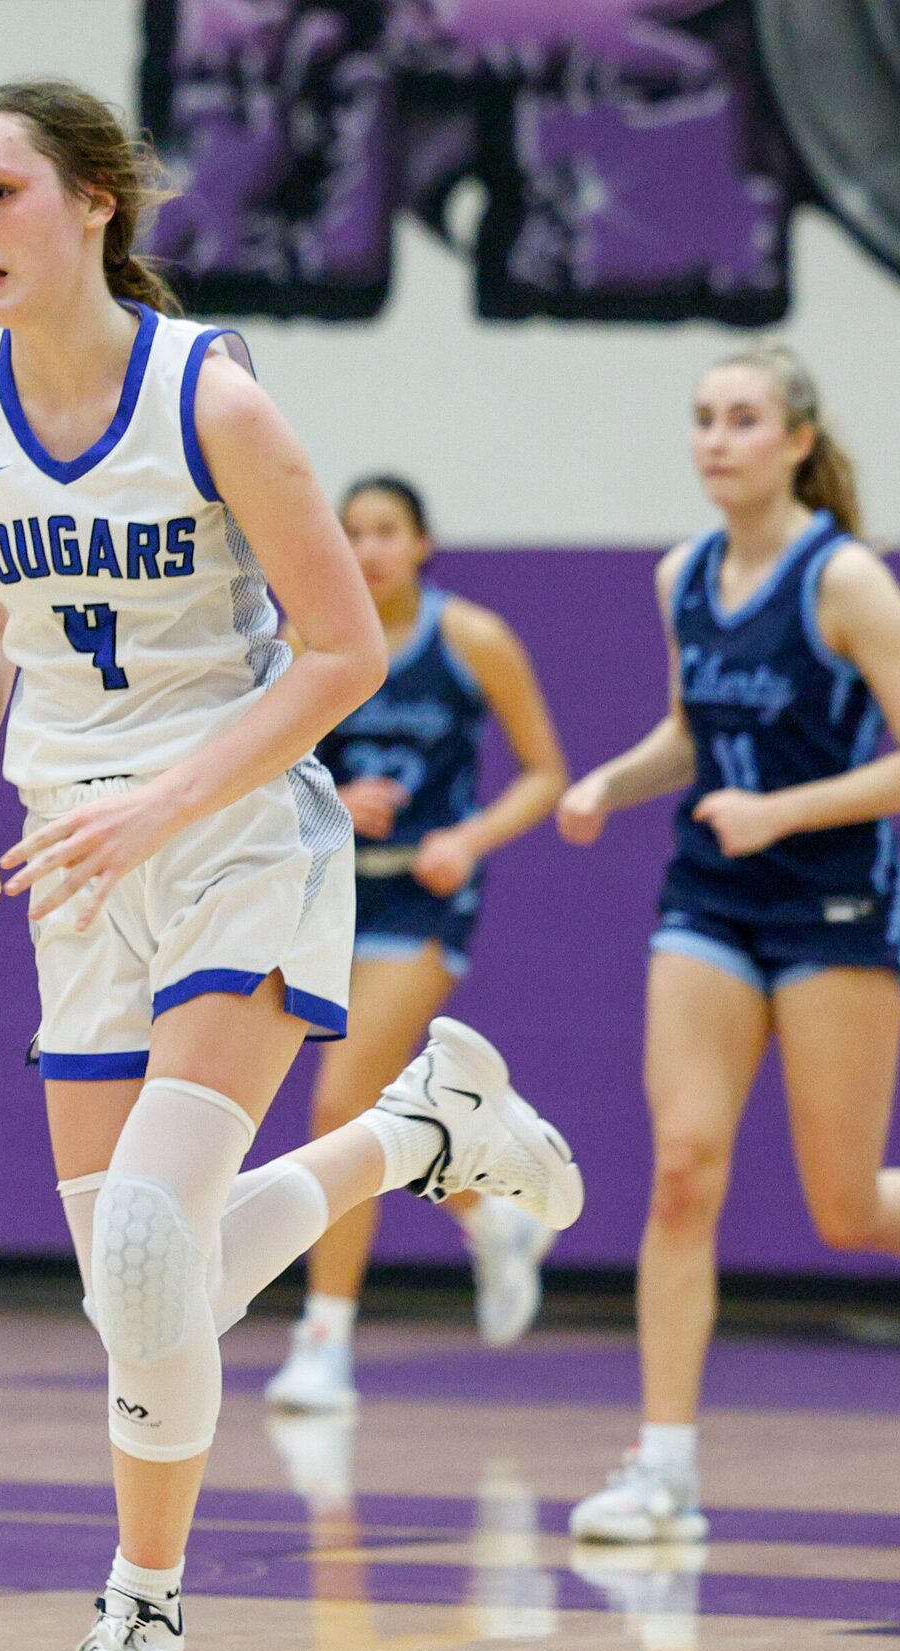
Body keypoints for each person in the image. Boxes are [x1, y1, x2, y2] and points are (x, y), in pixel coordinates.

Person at [0, 78, 582, 1651]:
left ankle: (143, 1617)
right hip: (75, 857)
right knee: (151, 1291)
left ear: (95, 206)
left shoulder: (213, 399)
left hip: (237, 839)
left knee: (145, 1254)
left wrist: (170, 795)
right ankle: (423, 1137)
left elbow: (342, 652)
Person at [556, 342, 900, 1545]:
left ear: (796, 440)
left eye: (740, 418)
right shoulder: (679, 574)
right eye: (700, 417)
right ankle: (662, 1473)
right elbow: (692, 732)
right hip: (710, 896)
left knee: (840, 1209)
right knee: (684, 1167)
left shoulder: (843, 580)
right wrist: (609, 781)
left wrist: (780, 812)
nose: (713, 439)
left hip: (832, 901)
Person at [265, 475, 572, 1413]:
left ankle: (324, 1337)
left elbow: (545, 773)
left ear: (423, 544)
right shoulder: (303, 637)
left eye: (387, 531)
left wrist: (468, 838)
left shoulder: (472, 639)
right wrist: (323, 798)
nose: (367, 549)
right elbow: (251, 754)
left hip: (424, 902)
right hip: (326, 894)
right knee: (355, 1114)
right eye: (352, 531)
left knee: (339, 1100)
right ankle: (489, 1207)